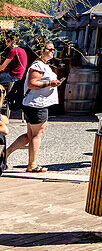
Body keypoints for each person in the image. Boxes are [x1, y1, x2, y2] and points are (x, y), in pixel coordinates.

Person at [6, 41, 64, 172]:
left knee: (29, 135)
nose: (52, 51)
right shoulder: (38, 65)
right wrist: (50, 83)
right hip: (37, 104)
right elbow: (32, 83)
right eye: (50, 49)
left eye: (53, 49)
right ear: (40, 51)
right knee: (37, 135)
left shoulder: (42, 65)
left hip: (33, 103)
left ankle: (5, 154)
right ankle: (32, 165)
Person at [0, 34, 27, 103]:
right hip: (19, 76)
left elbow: (2, 67)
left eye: (8, 41)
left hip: (13, 75)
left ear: (14, 42)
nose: (6, 44)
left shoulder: (13, 51)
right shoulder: (22, 50)